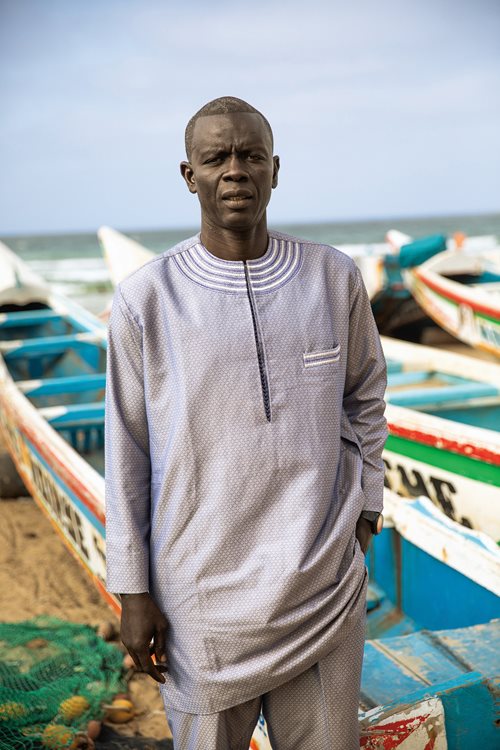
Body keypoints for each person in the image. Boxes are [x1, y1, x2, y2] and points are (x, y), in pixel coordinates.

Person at [105, 96, 388, 750]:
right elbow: (127, 455)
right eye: (217, 158)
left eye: (250, 156)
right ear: (190, 175)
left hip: (322, 586)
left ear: (275, 170)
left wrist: (367, 509)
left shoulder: (331, 277)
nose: (236, 170)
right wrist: (133, 590)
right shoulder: (148, 298)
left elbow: (366, 394)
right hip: (199, 602)